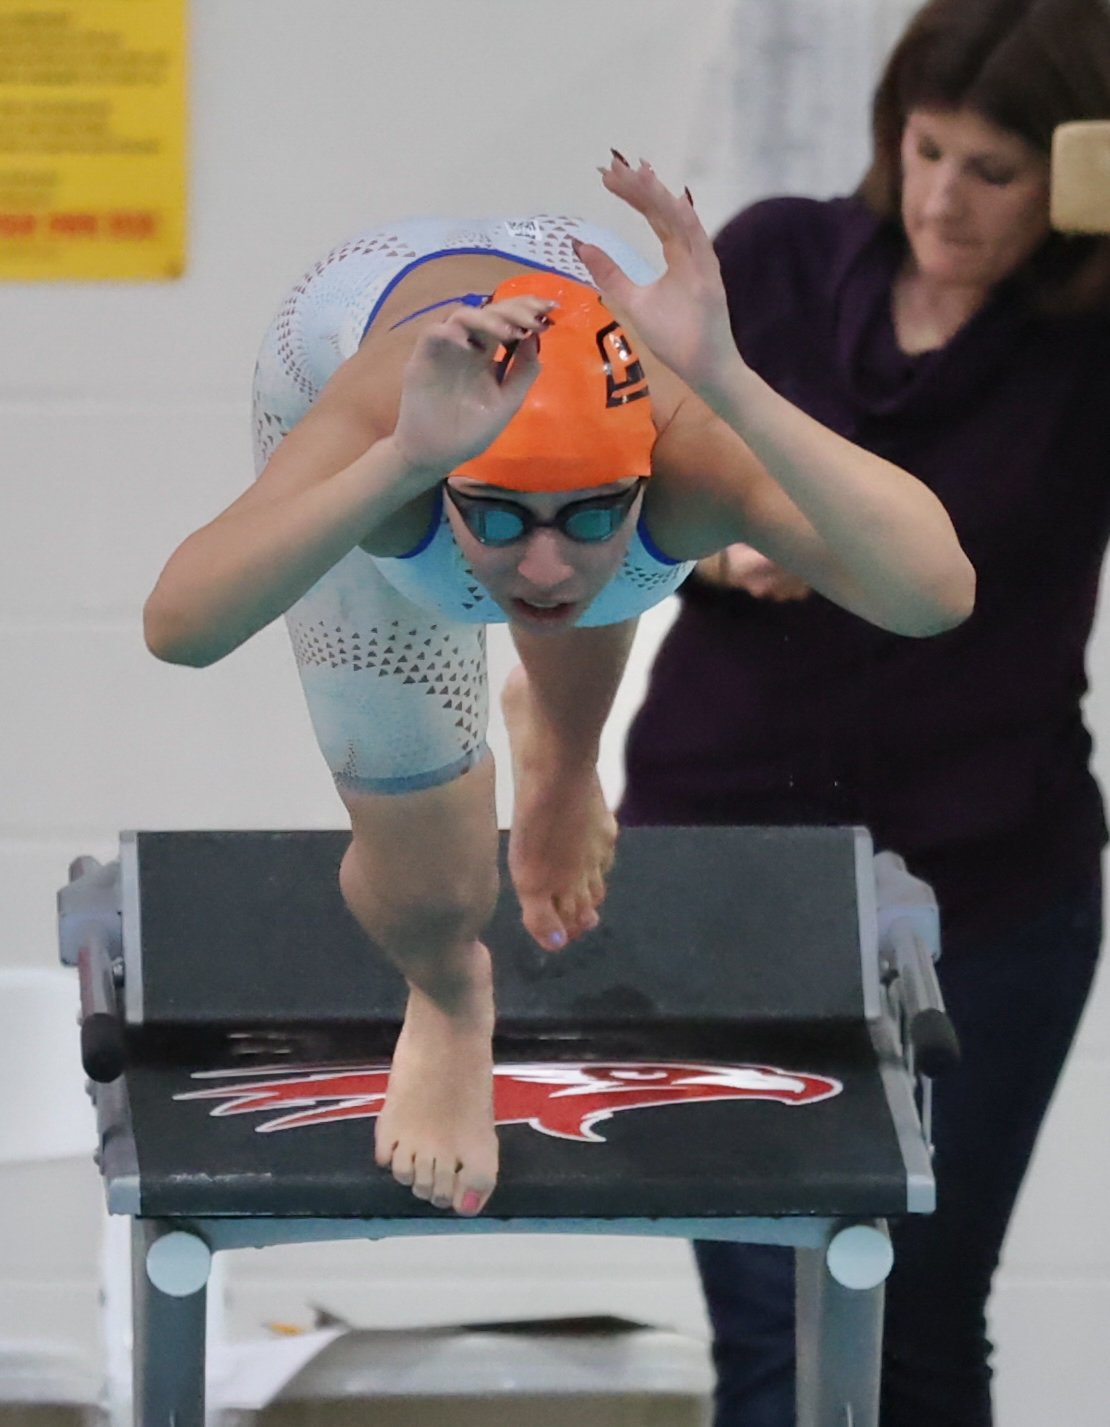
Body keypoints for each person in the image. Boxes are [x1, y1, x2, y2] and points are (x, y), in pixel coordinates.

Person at [142, 158, 972, 1221]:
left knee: (599, 571)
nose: (541, 563)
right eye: (497, 517)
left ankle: (564, 756)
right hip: (377, 374)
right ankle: (450, 992)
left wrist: (730, 383)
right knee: (433, 884)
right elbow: (180, 629)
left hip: (590, 312)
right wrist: (401, 463)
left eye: (588, 513)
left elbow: (936, 596)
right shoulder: (387, 432)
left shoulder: (687, 449)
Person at [618, 1, 1110, 1423]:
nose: (944, 198)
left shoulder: (1091, 337)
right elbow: (605, 484)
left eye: (996, 171)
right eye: (925, 149)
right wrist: (715, 547)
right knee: (772, 1328)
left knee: (920, 1319)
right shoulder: (774, 259)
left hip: (986, 885)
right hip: (720, 869)